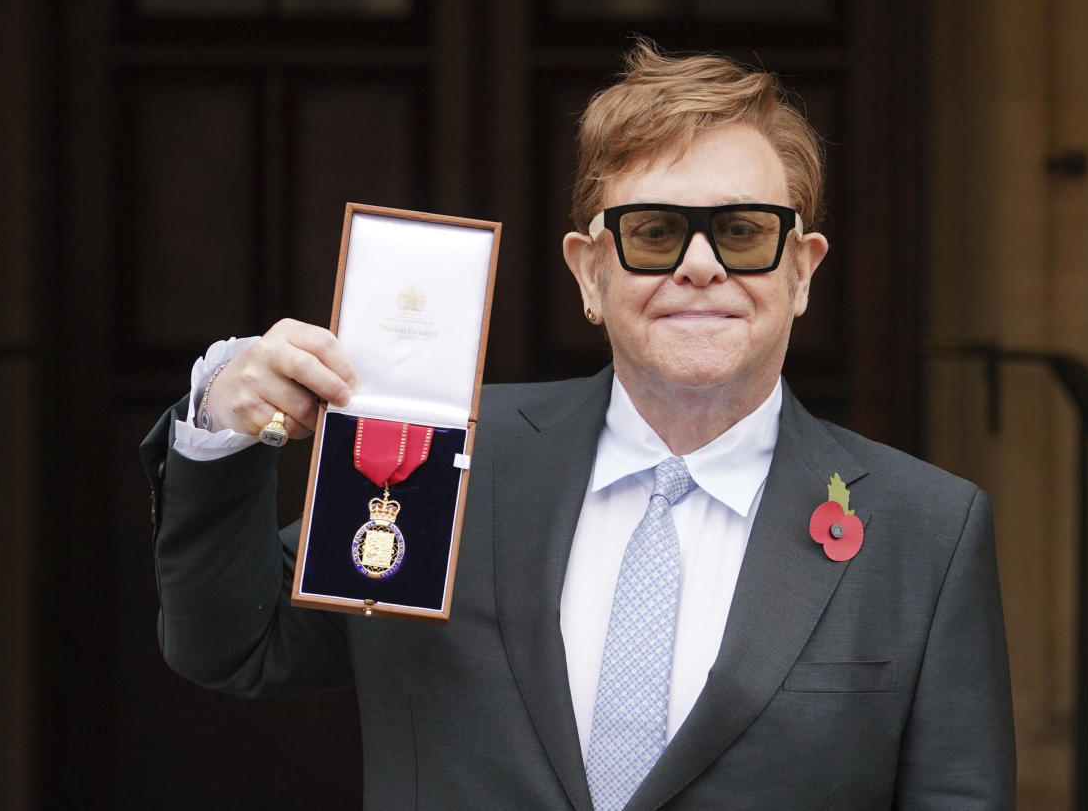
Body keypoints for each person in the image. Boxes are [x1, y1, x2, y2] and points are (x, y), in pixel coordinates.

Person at [142, 42, 1015, 809]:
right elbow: (235, 641)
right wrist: (223, 414)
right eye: (654, 232)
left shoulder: (925, 533)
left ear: (801, 271)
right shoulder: (451, 459)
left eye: (745, 232)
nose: (700, 267)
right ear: (589, 273)